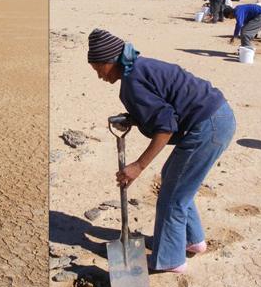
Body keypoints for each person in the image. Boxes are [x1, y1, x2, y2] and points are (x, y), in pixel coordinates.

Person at [87, 28, 236, 273]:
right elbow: (165, 107)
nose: (99, 76)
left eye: (97, 69)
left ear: (110, 60)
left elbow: (165, 127)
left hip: (209, 125)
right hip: (217, 117)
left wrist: (138, 166)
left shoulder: (132, 83)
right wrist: (134, 118)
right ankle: (193, 240)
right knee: (175, 181)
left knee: (171, 198)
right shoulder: (139, 68)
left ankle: (171, 260)